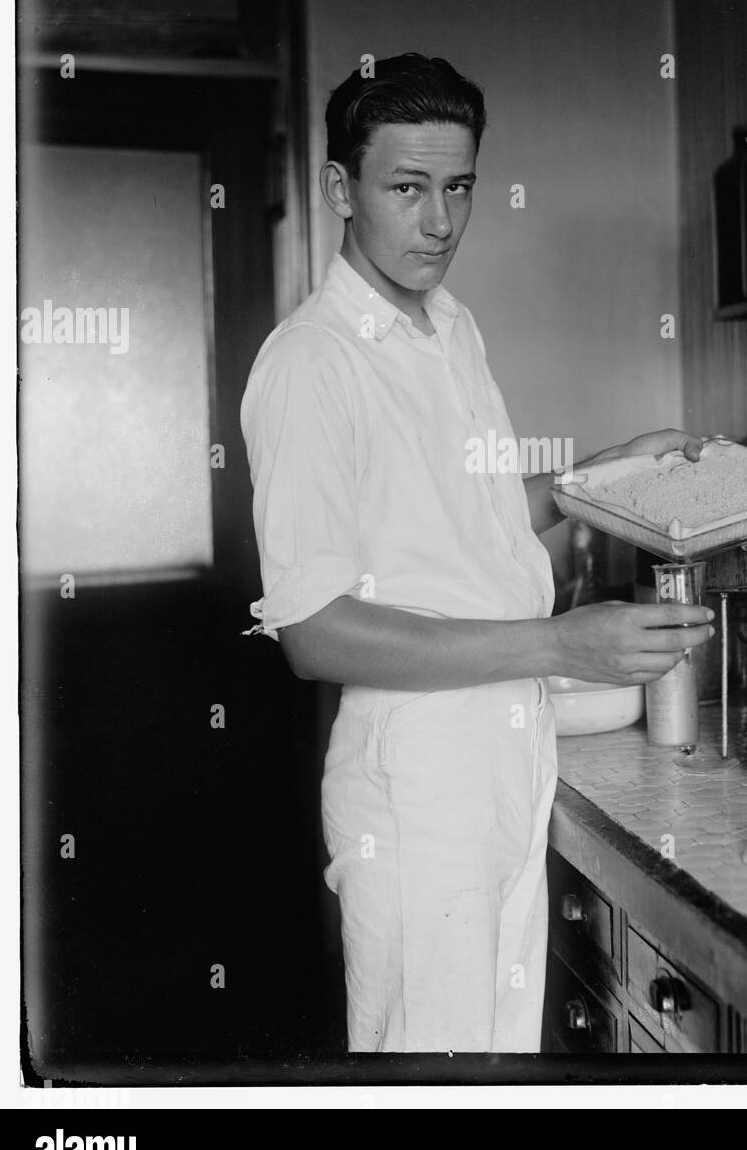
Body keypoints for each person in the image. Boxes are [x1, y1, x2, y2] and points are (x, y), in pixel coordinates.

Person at [240, 53, 714, 1053]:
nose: (441, 222)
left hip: (506, 756)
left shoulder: (451, 329)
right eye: (405, 189)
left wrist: (600, 478)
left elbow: (476, 516)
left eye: (458, 188)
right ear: (341, 189)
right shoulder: (310, 366)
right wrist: (560, 647)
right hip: (418, 782)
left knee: (495, 1063)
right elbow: (316, 634)